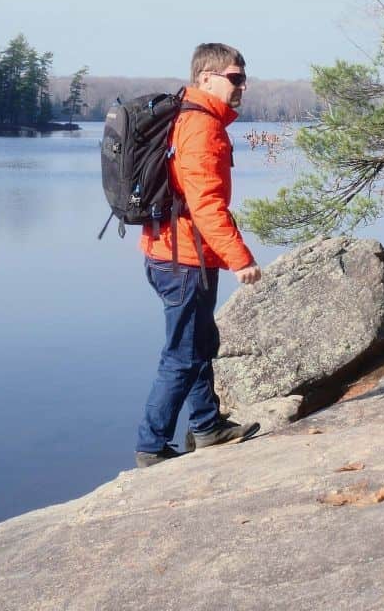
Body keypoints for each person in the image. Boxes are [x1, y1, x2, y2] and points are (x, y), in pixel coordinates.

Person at [135, 43, 263, 468]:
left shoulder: (193, 116)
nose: (242, 86)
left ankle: (207, 425)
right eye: (234, 78)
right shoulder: (201, 126)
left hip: (175, 251)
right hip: (184, 257)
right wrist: (240, 258)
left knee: (199, 342)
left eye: (243, 78)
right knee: (183, 353)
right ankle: (151, 447)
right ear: (206, 77)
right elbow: (206, 202)